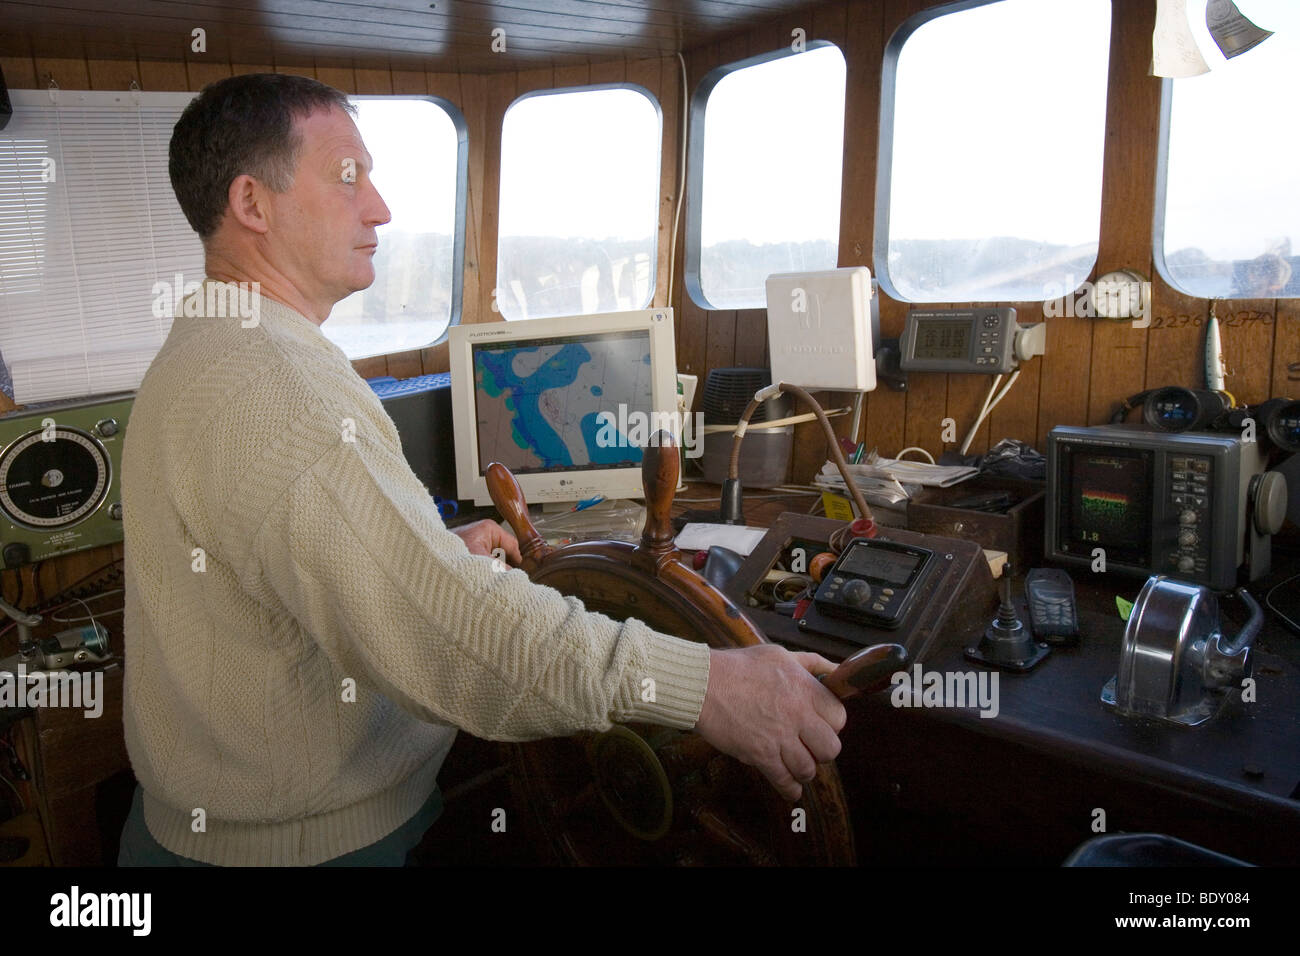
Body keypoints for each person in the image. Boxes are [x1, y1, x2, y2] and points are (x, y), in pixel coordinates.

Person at [118, 73, 846, 866]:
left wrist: (424, 559)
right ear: (253, 204)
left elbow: (292, 574)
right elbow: (450, 639)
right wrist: (709, 687)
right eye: (349, 178)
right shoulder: (281, 386)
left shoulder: (207, 345)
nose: (381, 209)